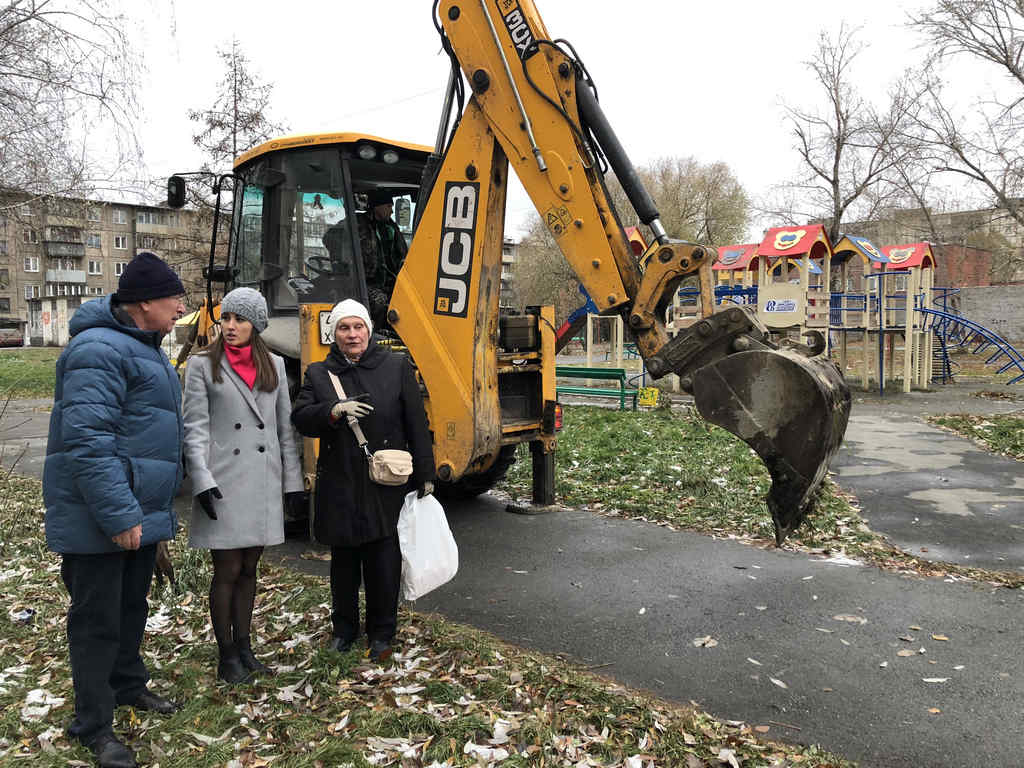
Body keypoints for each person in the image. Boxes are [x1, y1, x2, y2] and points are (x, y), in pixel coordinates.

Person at [43, 251, 186, 768]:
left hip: (137, 513)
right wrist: (120, 514)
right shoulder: (98, 350)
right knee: (96, 621)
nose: (179, 308)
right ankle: (93, 725)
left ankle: (128, 686)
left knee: (131, 608)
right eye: (174, 298)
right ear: (143, 302)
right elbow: (86, 439)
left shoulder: (144, 348)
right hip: (102, 519)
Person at [291, 298, 434, 662]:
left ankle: (382, 634)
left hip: (385, 483)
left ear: (368, 331)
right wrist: (333, 411)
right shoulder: (321, 374)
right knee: (343, 564)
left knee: (383, 562)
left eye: (358, 327)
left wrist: (426, 475)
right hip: (340, 484)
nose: (352, 335)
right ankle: (344, 630)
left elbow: (417, 423)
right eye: (344, 328)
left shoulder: (395, 366)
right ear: (334, 334)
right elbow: (302, 417)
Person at [182, 287, 304, 684]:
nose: (230, 326)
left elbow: (285, 430)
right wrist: (200, 479)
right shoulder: (203, 365)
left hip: (262, 480)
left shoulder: (275, 366)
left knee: (250, 566)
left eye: (240, 319)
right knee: (227, 569)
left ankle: (246, 646)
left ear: (257, 325)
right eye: (227, 318)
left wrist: (292, 484)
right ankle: (226, 654)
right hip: (223, 482)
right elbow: (194, 427)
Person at [359, 190, 408, 329]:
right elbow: (329, 238)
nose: (392, 211)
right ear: (377, 206)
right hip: (365, 282)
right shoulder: (358, 224)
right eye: (388, 206)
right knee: (381, 303)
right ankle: (375, 334)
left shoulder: (391, 227)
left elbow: (403, 252)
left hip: (390, 281)